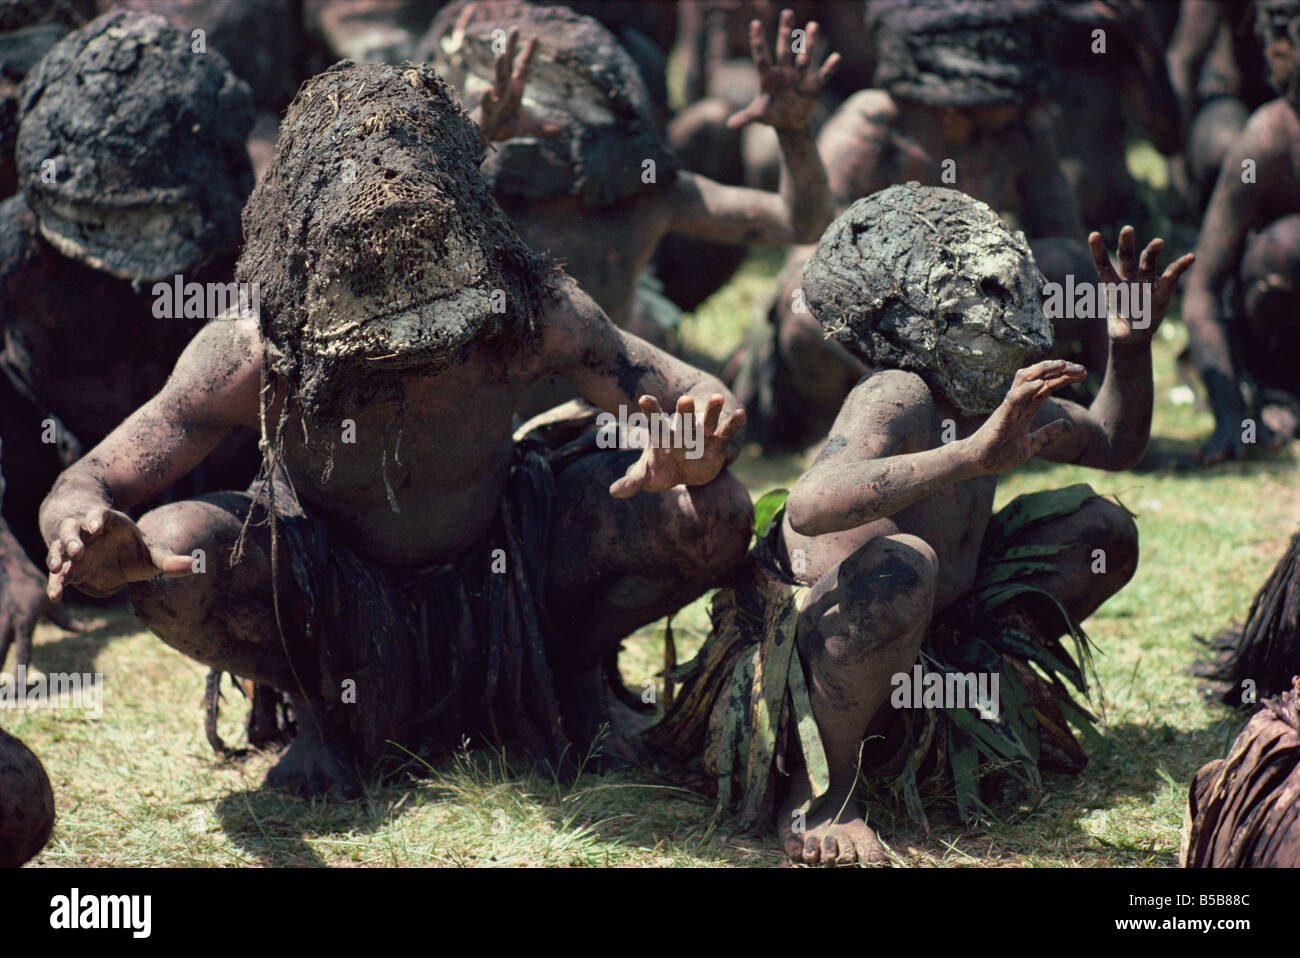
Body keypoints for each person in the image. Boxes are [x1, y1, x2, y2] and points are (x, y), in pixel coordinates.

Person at [38, 60, 752, 797]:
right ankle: (324, 713)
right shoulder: (256, 348)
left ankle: (570, 677)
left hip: (511, 569)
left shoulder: (528, 310)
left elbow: (698, 396)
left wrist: (696, 451)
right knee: (172, 554)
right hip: (329, 590)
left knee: (719, 511)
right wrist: (81, 528)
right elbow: (87, 479)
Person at [654, 184, 1192, 864]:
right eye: (984, 292)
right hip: (823, 646)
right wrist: (968, 456)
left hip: (939, 638)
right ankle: (823, 791)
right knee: (901, 568)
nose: (1009, 303)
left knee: (1103, 532)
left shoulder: (1000, 392)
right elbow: (810, 504)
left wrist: (1131, 343)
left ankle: (954, 714)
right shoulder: (897, 394)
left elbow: (1116, 441)